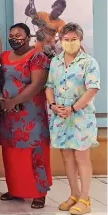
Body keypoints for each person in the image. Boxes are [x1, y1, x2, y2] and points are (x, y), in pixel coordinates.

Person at [46, 23, 100, 215]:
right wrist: (53, 105)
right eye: (66, 40)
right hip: (60, 115)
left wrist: (73, 108)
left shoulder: (89, 62)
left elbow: (92, 89)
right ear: (60, 40)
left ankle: (85, 198)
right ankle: (74, 195)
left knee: (81, 157)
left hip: (80, 116)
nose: (69, 43)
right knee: (67, 157)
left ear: (80, 39)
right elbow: (49, 85)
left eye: (73, 39)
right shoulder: (56, 61)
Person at [0, 23, 51, 209]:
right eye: (11, 34)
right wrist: (1, 98)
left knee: (35, 153)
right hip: (9, 116)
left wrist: (14, 101)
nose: (14, 38)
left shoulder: (38, 57)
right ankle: (15, 189)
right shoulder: (4, 56)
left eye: (19, 35)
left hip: (31, 115)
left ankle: (39, 193)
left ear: (28, 37)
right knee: (12, 154)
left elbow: (37, 84)